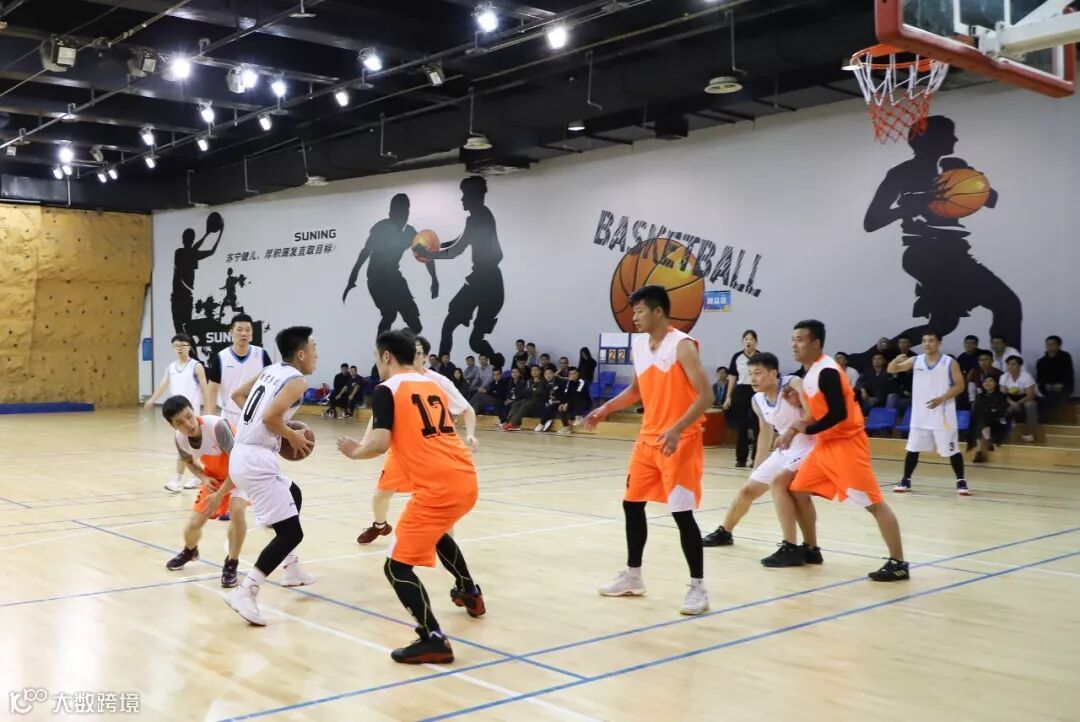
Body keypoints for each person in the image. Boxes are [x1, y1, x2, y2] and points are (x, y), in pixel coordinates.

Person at [338, 329, 484, 665]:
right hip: (465, 477)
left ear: (386, 356)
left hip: (438, 487)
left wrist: (354, 451)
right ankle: (469, 591)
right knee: (436, 534)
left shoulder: (386, 389)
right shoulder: (431, 384)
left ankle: (432, 638)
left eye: (377, 357)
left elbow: (379, 443)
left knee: (396, 568)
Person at [585, 284, 713, 615]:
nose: (635, 318)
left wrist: (678, 428)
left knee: (682, 514)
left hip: (679, 441)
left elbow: (706, 396)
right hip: (648, 440)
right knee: (632, 505)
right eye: (634, 312)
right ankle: (633, 576)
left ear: (658, 311)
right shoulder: (640, 345)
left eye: (640, 311)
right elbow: (636, 390)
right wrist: (605, 409)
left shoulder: (682, 346)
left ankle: (698, 588)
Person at [863, 115, 1020, 350]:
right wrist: (912, 205)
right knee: (1007, 305)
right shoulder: (901, 173)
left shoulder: (953, 168)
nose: (955, 139)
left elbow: (991, 199)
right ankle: (1009, 363)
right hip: (925, 253)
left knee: (943, 324)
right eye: (949, 135)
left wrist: (972, 180)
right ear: (930, 140)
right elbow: (871, 222)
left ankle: (871, 358)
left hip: (953, 253)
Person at [769, 320, 909, 581]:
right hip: (825, 446)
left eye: (800, 339)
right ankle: (811, 549)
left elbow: (838, 413)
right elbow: (817, 412)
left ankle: (898, 562)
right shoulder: (810, 373)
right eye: (793, 339)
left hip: (847, 445)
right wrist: (798, 408)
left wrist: (805, 430)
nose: (794, 344)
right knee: (797, 490)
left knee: (874, 504)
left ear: (816, 343)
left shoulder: (828, 371)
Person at [224, 326, 319, 626]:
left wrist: (266, 425)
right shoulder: (297, 381)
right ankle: (246, 591)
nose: (316, 355)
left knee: (294, 493)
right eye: (313, 349)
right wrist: (291, 435)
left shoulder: (270, 370)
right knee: (291, 533)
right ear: (301, 354)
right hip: (256, 460)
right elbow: (269, 417)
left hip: (242, 454)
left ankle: (291, 568)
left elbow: (238, 395)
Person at [355, 334, 478, 545]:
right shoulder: (395, 382)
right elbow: (379, 416)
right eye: (412, 351)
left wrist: (470, 433)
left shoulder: (438, 382)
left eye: (419, 353)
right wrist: (364, 442)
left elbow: (467, 409)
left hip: (431, 452)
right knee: (380, 495)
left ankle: (447, 552)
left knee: (440, 507)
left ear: (425, 357)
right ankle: (380, 525)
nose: (414, 356)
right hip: (403, 449)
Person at [701, 353, 820, 562]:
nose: (752, 378)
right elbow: (765, 433)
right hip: (784, 450)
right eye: (750, 373)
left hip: (808, 447)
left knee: (785, 488)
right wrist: (758, 465)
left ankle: (793, 545)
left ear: (773, 373)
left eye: (757, 373)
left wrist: (797, 408)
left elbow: (813, 414)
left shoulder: (792, 383)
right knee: (747, 490)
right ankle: (725, 532)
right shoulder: (757, 399)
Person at [413, 176, 504, 361]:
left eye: (464, 195)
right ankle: (496, 362)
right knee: (474, 342)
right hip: (492, 282)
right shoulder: (483, 215)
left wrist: (428, 253)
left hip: (483, 281)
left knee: (449, 325)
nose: (462, 199)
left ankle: (441, 367)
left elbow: (455, 251)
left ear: (473, 197)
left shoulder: (477, 220)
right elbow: (460, 240)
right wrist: (434, 247)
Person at [161, 396, 249, 588]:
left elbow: (239, 465)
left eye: (189, 416)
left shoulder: (217, 427)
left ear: (194, 411)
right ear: (172, 426)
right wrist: (203, 478)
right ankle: (190, 550)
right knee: (194, 524)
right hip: (215, 478)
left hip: (241, 474)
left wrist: (220, 495)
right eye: (180, 422)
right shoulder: (180, 439)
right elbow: (189, 462)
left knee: (237, 511)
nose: (188, 424)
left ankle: (231, 563)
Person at [342, 193, 438, 333]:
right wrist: (352, 279)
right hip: (376, 279)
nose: (402, 217)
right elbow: (365, 253)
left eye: (405, 213)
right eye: (398, 213)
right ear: (390, 214)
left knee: (416, 326)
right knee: (389, 315)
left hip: (394, 277)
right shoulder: (380, 230)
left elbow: (426, 256)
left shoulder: (409, 233)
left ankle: (399, 342)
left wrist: (434, 279)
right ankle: (383, 346)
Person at [888, 332, 970, 495]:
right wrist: (895, 360)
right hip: (920, 413)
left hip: (943, 413)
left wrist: (942, 398)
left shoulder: (949, 362)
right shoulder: (916, 360)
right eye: (924, 341)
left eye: (931, 341)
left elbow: (960, 386)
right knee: (913, 448)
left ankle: (961, 481)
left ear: (939, 343)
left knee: (952, 449)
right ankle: (906, 480)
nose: (927, 343)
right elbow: (891, 369)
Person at [146, 333, 209, 492]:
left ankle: (178, 479)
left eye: (182, 345)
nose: (179, 348)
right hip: (177, 416)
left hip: (191, 416)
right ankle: (196, 477)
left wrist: (208, 410)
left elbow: (205, 389)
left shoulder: (196, 366)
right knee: (187, 447)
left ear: (189, 347)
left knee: (185, 446)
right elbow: (162, 386)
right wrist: (152, 399)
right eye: (176, 346)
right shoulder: (171, 368)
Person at [206, 314, 273, 428]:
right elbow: (212, 390)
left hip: (256, 416)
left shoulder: (262, 355)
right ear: (231, 332)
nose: (244, 333)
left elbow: (271, 385)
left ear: (252, 333)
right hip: (229, 416)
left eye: (248, 330)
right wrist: (209, 420)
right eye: (240, 330)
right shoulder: (221, 357)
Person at [723, 330, 760, 468]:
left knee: (757, 426)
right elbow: (732, 377)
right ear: (742, 341)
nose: (748, 342)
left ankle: (756, 458)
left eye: (751, 339)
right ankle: (741, 458)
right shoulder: (737, 357)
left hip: (757, 391)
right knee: (742, 426)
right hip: (741, 391)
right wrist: (728, 396)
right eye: (746, 339)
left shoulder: (761, 357)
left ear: (756, 342)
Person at [1000, 355, 1039, 443]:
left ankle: (1032, 434)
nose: (1010, 366)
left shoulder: (1027, 377)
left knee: (1031, 405)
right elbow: (1003, 395)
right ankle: (1002, 434)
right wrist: (1012, 403)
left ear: (1020, 365)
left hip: (1025, 399)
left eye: (1013, 364)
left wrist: (1017, 404)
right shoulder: (1004, 377)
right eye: (1008, 364)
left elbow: (1030, 396)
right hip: (1010, 399)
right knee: (999, 403)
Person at [972, 376, 1009, 463]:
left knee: (982, 422)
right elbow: (975, 411)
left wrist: (988, 412)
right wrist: (990, 410)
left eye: (990, 381)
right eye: (985, 381)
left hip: (996, 422)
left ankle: (979, 452)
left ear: (995, 383)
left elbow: (1001, 411)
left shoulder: (1001, 396)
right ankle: (988, 441)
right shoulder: (979, 396)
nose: (987, 383)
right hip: (983, 423)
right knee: (981, 422)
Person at [1036, 335, 1074, 420]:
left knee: (1060, 398)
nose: (1049, 346)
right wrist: (1046, 385)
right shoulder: (1041, 361)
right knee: (1045, 397)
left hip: (1063, 385)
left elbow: (1069, 374)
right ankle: (1047, 421)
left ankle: (1061, 421)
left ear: (1059, 346)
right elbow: (1040, 378)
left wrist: (1061, 384)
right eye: (1047, 344)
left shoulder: (1066, 357)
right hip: (1047, 387)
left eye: (1052, 344)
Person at [502, 365, 547, 431]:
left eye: (535, 370)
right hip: (529, 399)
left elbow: (539, 391)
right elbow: (525, 391)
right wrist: (533, 390)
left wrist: (531, 390)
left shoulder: (542, 381)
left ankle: (512, 424)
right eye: (532, 370)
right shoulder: (529, 381)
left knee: (525, 405)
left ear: (540, 371)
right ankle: (508, 422)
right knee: (516, 403)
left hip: (538, 401)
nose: (534, 372)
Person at [857, 352, 900, 417]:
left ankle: (887, 418)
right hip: (871, 396)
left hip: (885, 396)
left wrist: (894, 375)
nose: (877, 360)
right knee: (860, 397)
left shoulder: (889, 370)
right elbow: (860, 382)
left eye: (879, 359)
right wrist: (863, 391)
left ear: (884, 361)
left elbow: (895, 385)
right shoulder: (868, 371)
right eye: (875, 359)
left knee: (891, 396)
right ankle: (865, 418)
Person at [556, 367, 591, 434]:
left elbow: (578, 393)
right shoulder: (569, 382)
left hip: (584, 402)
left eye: (574, 373)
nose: (573, 375)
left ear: (578, 374)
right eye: (570, 374)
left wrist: (568, 403)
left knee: (577, 397)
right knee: (562, 408)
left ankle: (579, 416)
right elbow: (566, 394)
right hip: (573, 402)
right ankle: (566, 427)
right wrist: (564, 403)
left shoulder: (582, 381)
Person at [534, 367, 563, 433]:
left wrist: (556, 401)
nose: (548, 375)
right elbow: (544, 396)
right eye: (546, 374)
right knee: (541, 405)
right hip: (549, 402)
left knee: (551, 406)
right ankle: (548, 420)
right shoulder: (543, 384)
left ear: (553, 374)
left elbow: (563, 397)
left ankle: (541, 424)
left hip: (558, 402)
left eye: (550, 373)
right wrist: (546, 402)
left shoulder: (559, 383)